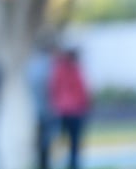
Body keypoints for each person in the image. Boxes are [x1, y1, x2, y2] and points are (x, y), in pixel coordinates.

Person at [50, 48, 90, 169]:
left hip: (62, 110)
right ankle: (73, 164)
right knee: (74, 141)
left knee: (62, 139)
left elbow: (53, 89)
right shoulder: (75, 70)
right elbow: (82, 90)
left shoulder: (58, 70)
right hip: (75, 111)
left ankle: (61, 162)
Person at [26, 40, 57, 169]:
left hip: (38, 108)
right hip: (47, 109)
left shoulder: (32, 65)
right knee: (45, 141)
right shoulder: (47, 66)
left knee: (42, 140)